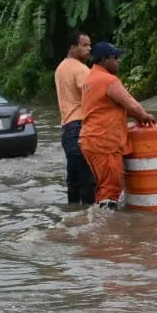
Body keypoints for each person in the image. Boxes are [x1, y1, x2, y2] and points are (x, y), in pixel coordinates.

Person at [79, 42, 157, 209]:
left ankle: (99, 223)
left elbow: (108, 107)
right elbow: (129, 103)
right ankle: (109, 230)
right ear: (105, 60)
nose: (119, 61)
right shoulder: (108, 80)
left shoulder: (90, 79)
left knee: (103, 186)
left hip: (90, 141)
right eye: (116, 58)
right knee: (111, 188)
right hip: (104, 143)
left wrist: (136, 114)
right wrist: (144, 115)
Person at [55, 31, 95, 205]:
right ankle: (89, 219)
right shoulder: (81, 69)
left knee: (73, 178)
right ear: (73, 47)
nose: (89, 49)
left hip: (67, 127)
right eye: (84, 45)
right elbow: (92, 97)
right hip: (80, 125)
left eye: (90, 45)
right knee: (88, 176)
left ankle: (74, 218)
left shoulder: (60, 67)